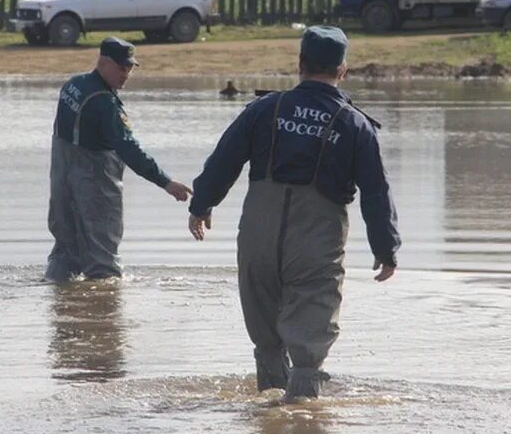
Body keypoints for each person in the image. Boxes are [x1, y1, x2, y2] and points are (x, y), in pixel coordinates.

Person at [187, 25, 400, 402]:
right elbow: (376, 193)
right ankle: (302, 423)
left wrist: (202, 205)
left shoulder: (264, 109)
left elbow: (224, 161)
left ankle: (267, 421)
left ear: (300, 64)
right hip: (315, 241)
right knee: (308, 340)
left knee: (266, 336)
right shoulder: (355, 125)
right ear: (343, 71)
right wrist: (385, 249)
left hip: (258, 234)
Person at [45, 37, 193, 281]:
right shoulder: (105, 103)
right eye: (121, 67)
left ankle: (60, 308)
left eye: (130, 68)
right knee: (103, 262)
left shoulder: (73, 85)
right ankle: (106, 314)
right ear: (103, 63)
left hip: (62, 181)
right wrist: (166, 182)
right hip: (95, 183)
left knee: (65, 251)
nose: (126, 74)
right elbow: (129, 149)